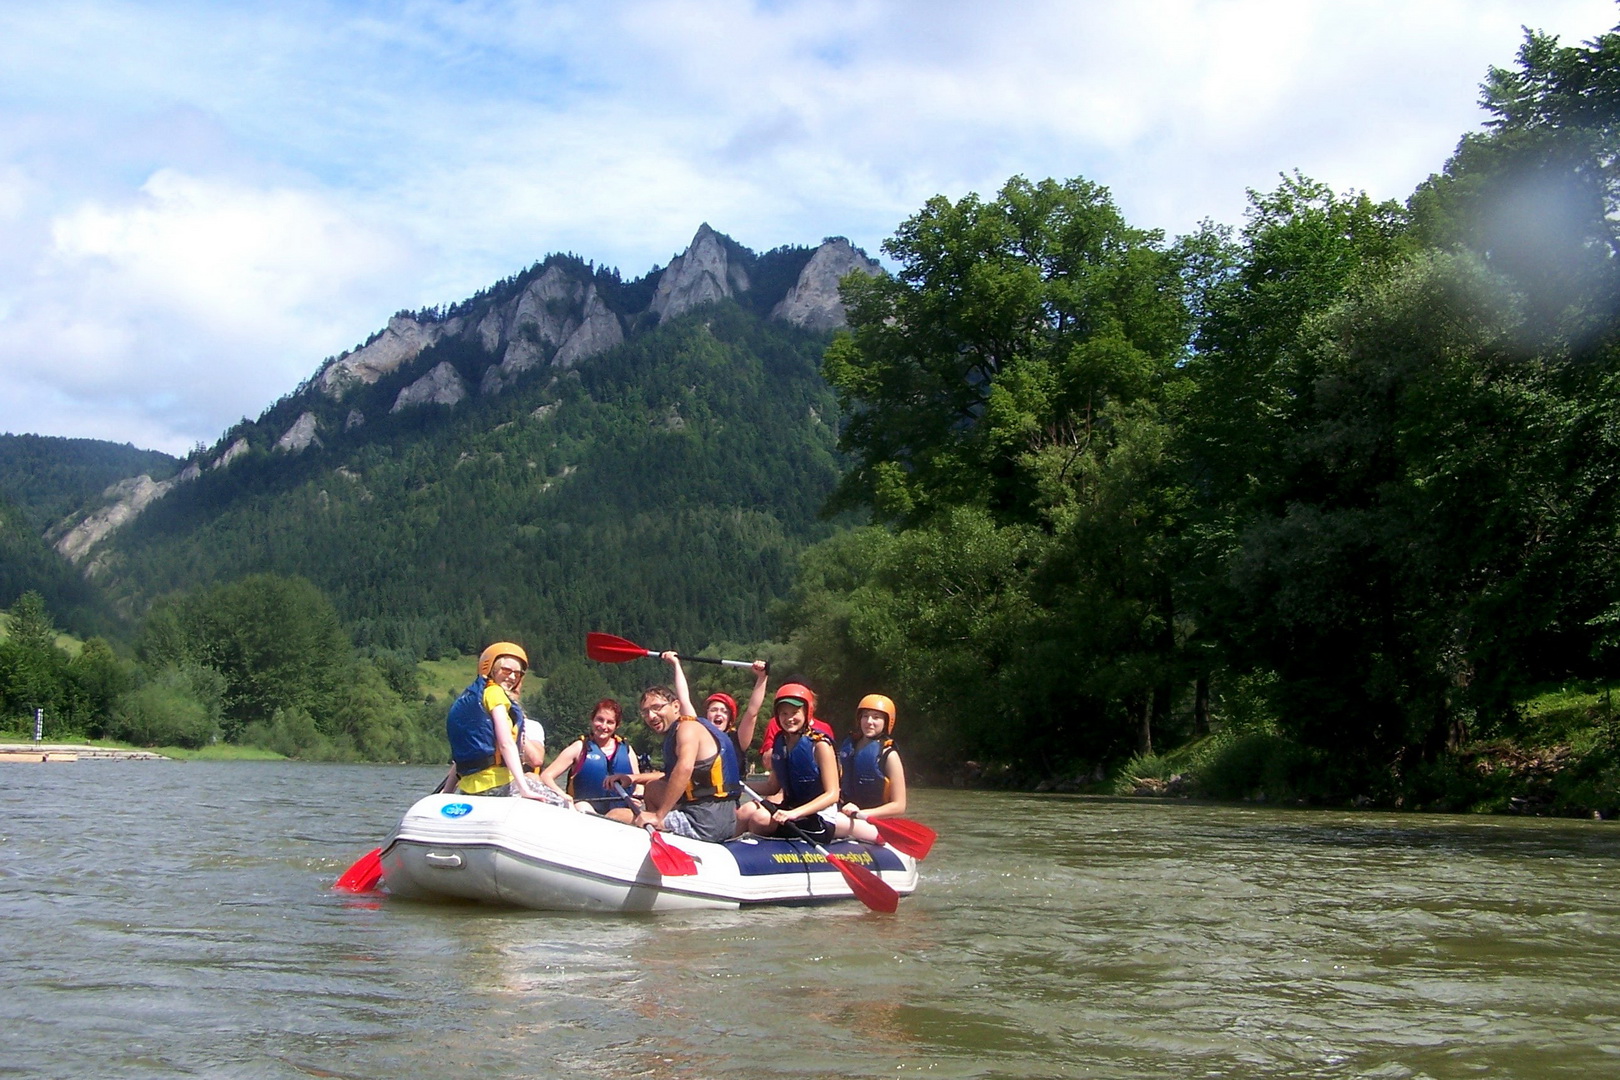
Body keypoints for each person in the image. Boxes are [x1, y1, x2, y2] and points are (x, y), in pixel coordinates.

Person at [607, 652, 742, 843]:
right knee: (653, 788)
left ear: (676, 707)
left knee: (615, 815)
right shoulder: (685, 728)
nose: (651, 716)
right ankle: (656, 838)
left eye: (657, 708)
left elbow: (684, 769)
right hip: (721, 817)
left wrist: (659, 816)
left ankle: (655, 828)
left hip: (704, 823)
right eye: (645, 712)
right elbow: (669, 776)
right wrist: (632, 778)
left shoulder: (687, 728)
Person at [739, 682, 877, 843]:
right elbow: (772, 787)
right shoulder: (780, 743)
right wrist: (738, 785)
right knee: (747, 809)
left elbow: (832, 794)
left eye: (794, 712)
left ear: (807, 712)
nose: (789, 718)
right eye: (784, 713)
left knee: (760, 819)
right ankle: (725, 847)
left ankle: (760, 853)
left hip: (818, 817)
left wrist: (795, 813)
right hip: (791, 810)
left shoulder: (820, 745)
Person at [445, 642, 565, 803]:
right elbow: (506, 743)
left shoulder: (469, 697)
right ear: (491, 668)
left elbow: (463, 758)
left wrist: (446, 793)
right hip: (498, 785)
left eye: (518, 673)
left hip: (468, 788)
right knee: (562, 803)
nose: (512, 677)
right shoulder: (495, 693)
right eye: (506, 670)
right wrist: (524, 789)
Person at [539, 698, 640, 823]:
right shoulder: (579, 747)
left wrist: (637, 795)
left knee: (621, 814)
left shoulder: (627, 749)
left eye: (610, 722)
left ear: (617, 725)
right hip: (585, 811)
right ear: (592, 720)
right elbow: (546, 776)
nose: (603, 726)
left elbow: (639, 782)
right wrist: (563, 795)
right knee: (582, 806)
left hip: (620, 813)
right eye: (600, 720)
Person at [837, 694, 908, 824]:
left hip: (874, 820)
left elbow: (899, 806)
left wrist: (861, 813)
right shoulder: (848, 748)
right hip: (846, 813)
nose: (869, 721)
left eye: (876, 717)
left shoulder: (889, 755)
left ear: (886, 722)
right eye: (865, 716)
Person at [702, 659, 770, 769]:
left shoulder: (737, 740)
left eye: (724, 711)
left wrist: (762, 677)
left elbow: (752, 712)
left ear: (729, 720)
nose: (718, 714)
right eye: (713, 710)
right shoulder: (697, 736)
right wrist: (677, 665)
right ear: (707, 715)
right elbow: (684, 700)